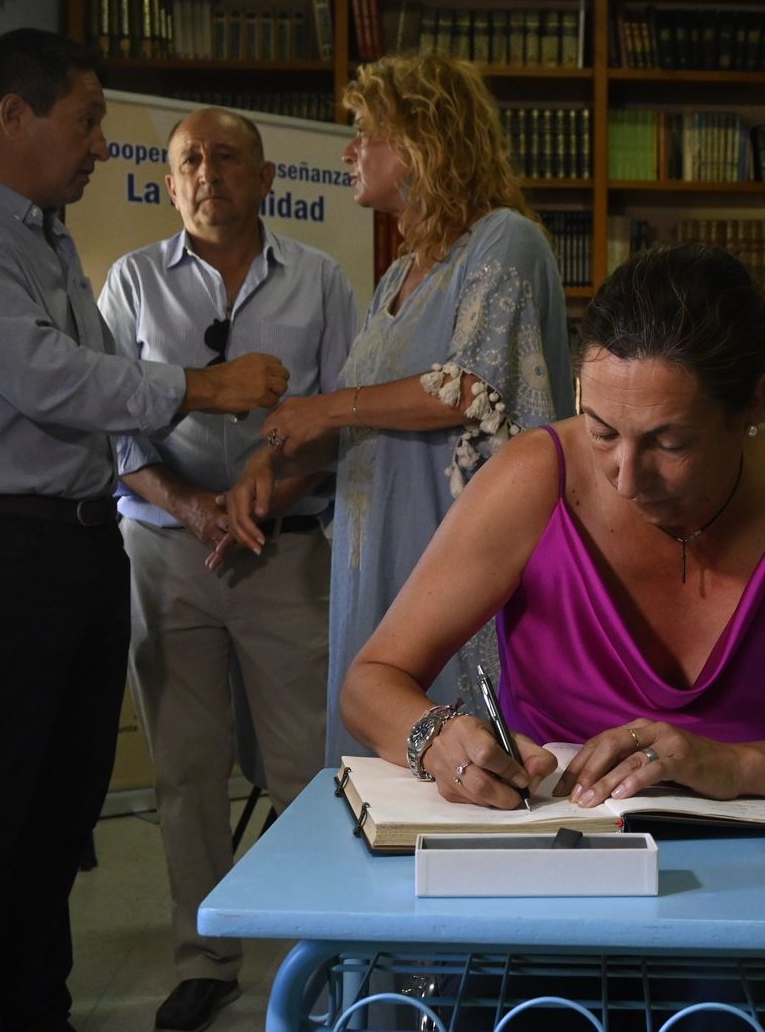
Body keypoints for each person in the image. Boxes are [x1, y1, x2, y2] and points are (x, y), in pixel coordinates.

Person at [0, 31, 289, 1032]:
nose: (104, 144)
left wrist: (264, 453)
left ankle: (34, 1012)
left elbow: (106, 397)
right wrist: (208, 383)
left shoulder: (43, 235)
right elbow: (51, 380)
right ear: (16, 117)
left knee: (58, 821)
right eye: (89, 119)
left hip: (74, 546)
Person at [337, 243, 765, 817]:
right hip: (557, 852)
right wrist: (435, 737)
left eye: (670, 441)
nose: (625, 478)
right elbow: (371, 681)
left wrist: (738, 767)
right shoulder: (535, 478)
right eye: (600, 431)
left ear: (753, 402)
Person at [222, 50, 574, 762]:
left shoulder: (506, 240)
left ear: (423, 141)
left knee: (465, 769)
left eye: (363, 131)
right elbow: (361, 423)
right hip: (372, 563)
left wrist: (324, 409)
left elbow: (474, 386)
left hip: (454, 561)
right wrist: (272, 465)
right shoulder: (393, 280)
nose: (348, 151)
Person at [96, 107, 357, 1032]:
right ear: (169, 184)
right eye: (189, 161)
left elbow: (339, 419)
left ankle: (312, 956)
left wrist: (262, 486)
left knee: (303, 767)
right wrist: (195, 504)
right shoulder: (130, 283)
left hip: (285, 551)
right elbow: (113, 432)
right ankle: (204, 958)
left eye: (227, 157)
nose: (209, 173)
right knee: (186, 770)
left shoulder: (322, 281)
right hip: (166, 553)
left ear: (268, 175)